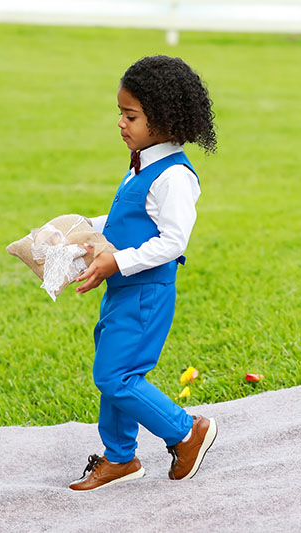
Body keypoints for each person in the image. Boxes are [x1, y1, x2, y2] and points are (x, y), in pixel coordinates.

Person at [69, 55, 218, 491]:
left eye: (130, 115)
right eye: (120, 112)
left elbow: (173, 241)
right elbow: (129, 219)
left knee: (116, 376)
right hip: (123, 291)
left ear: (165, 119)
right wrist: (85, 229)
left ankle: (187, 432)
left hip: (146, 293)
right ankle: (120, 458)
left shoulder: (173, 176)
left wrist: (117, 259)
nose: (121, 122)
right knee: (111, 368)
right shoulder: (142, 163)